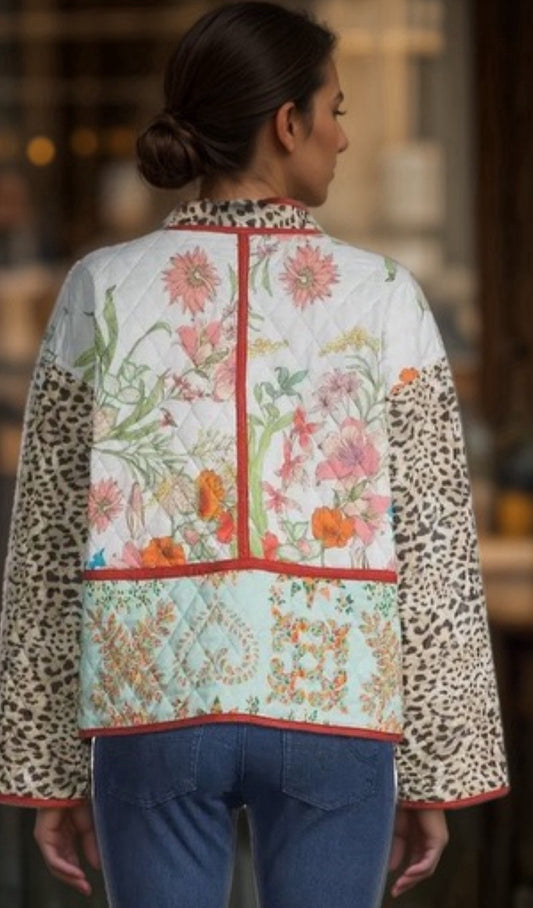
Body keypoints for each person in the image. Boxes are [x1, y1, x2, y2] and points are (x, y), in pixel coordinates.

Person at [0, 3, 509, 906]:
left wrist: (50, 772)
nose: (342, 137)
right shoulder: (385, 296)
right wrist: (436, 770)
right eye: (335, 110)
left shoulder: (98, 288)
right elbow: (434, 544)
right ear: (287, 123)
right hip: (336, 702)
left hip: (150, 702)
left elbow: (43, 543)